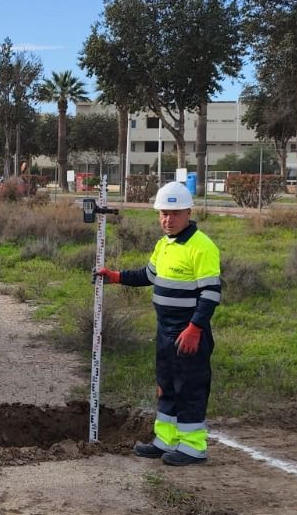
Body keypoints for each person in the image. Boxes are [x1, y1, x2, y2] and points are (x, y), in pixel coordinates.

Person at [94, 181, 221, 466]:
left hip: (189, 332)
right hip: (165, 332)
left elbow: (210, 294)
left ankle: (193, 447)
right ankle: (165, 440)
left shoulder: (202, 247)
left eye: (174, 213)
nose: (168, 219)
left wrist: (195, 329)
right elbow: (149, 275)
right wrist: (115, 276)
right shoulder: (164, 245)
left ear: (188, 212)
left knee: (190, 387)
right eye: (163, 213)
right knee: (166, 386)